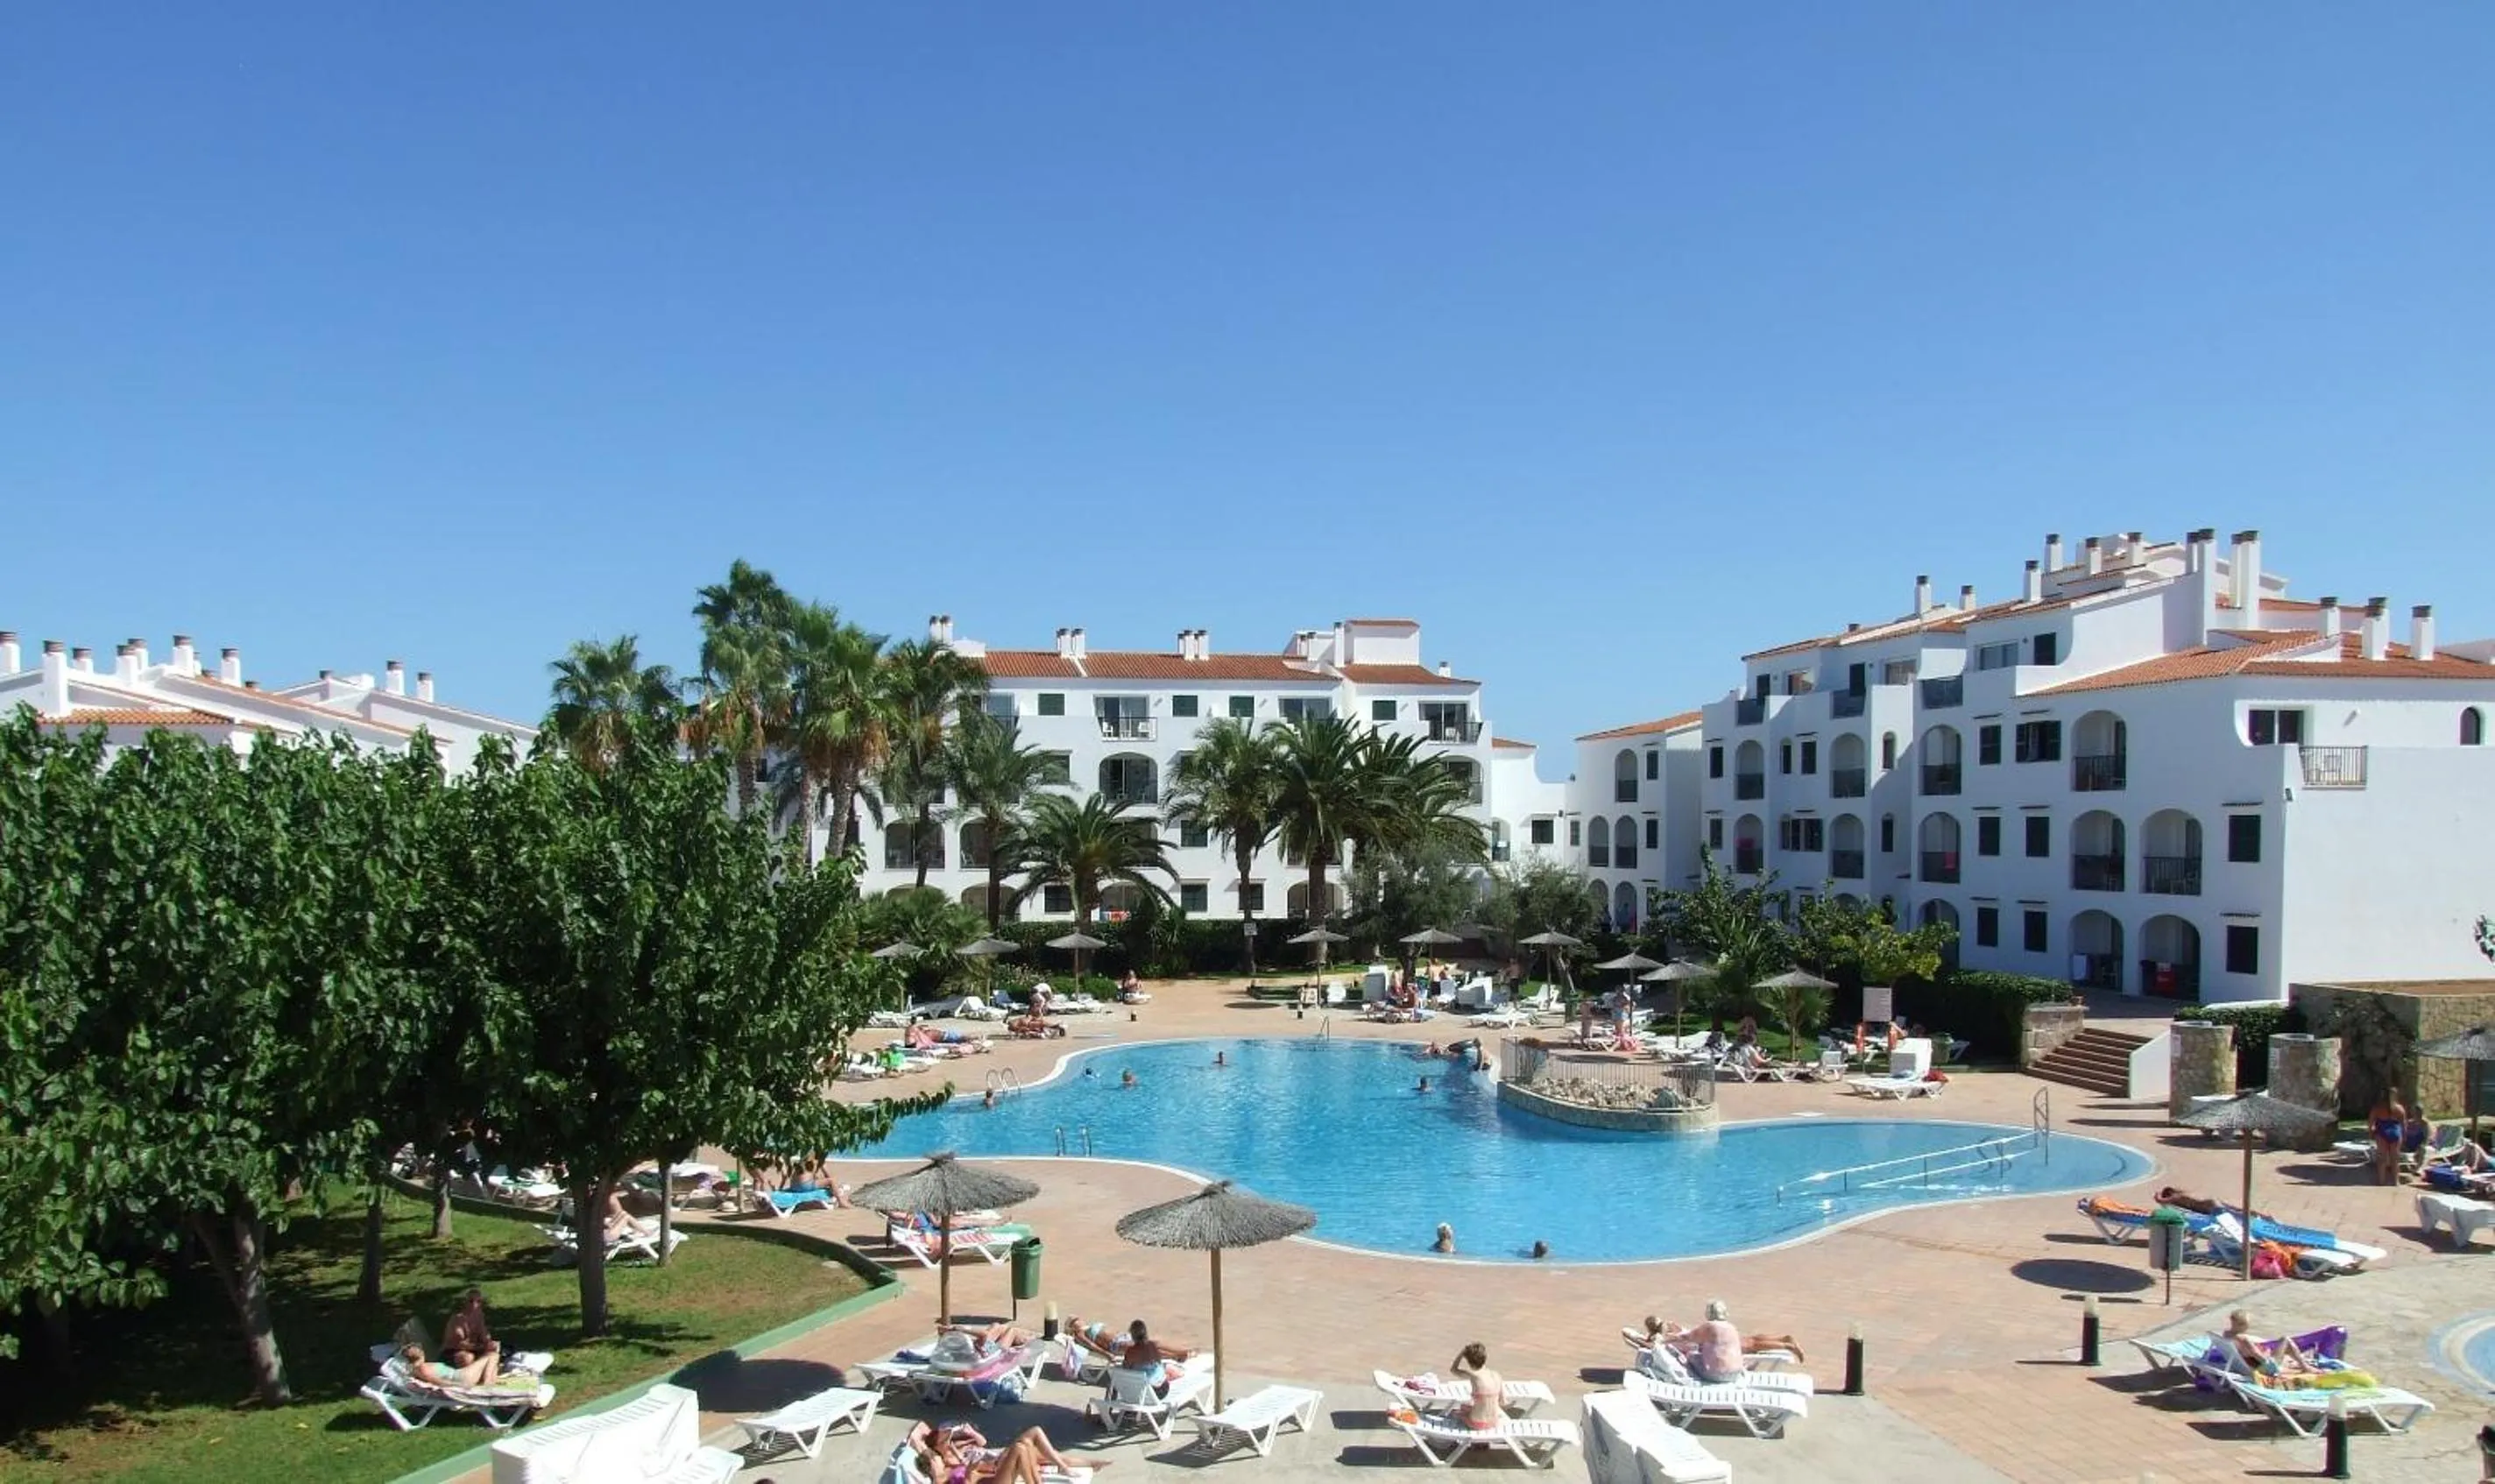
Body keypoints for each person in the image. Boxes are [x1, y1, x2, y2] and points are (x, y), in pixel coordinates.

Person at [1685, 1300, 1746, 1383]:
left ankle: (1690, 1379)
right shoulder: (1732, 1327)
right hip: (1736, 1374)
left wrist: (1668, 1339)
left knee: (1691, 1355)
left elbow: (1688, 1337)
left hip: (1716, 1376)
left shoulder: (1710, 1326)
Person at [401, 1341, 506, 1388]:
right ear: (421, 1354)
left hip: (461, 1376)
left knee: (491, 1356)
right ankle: (488, 1384)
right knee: (493, 1355)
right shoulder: (422, 1368)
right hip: (461, 1378)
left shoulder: (418, 1368)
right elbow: (438, 1381)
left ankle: (490, 1381)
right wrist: (458, 1386)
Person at [1448, 1342, 1503, 1431]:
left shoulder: (1473, 1375)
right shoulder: (1496, 1375)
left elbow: (1453, 1370)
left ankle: (1451, 1441)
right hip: (1493, 1422)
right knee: (1466, 1407)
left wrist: (1461, 1354)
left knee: (1454, 1413)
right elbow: (1503, 1402)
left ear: (1469, 1361)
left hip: (1477, 1423)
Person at [441, 1288, 499, 1370]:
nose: (474, 1305)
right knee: (467, 1358)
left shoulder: (480, 1317)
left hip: (474, 1350)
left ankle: (487, 1380)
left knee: (493, 1355)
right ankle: (466, 1380)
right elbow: (458, 1344)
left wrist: (490, 1344)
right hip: (453, 1352)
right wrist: (481, 1346)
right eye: (471, 1301)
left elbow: (485, 1338)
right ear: (465, 1302)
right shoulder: (458, 1319)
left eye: (478, 1301)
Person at [1122, 1320, 1195, 1384]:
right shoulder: (1151, 1346)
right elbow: (1158, 1362)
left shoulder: (1130, 1351)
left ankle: (1177, 1359)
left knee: (1160, 1368)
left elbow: (1125, 1367)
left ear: (1132, 1335)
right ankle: (1180, 1371)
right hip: (1156, 1390)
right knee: (1165, 1367)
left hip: (1137, 1386)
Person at [2370, 1095, 2407, 1185]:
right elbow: (2403, 1125)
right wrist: (2404, 1136)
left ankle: (2381, 1181)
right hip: (2395, 1131)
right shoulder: (2399, 1108)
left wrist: (2371, 1134)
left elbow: (2371, 1123)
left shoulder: (2377, 1108)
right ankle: (2395, 1182)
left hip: (2382, 1132)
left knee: (2382, 1159)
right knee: (2395, 1159)